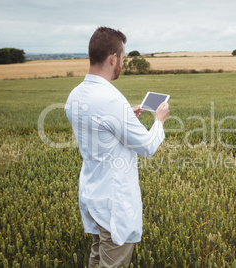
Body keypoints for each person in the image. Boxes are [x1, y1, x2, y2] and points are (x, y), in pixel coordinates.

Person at [64, 26, 169, 268]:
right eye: (122, 57)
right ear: (113, 58)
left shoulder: (75, 95)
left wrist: (125, 116)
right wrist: (159, 121)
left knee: (97, 255)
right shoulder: (111, 99)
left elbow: (97, 127)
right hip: (113, 201)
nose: (122, 62)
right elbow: (147, 147)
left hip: (92, 194)